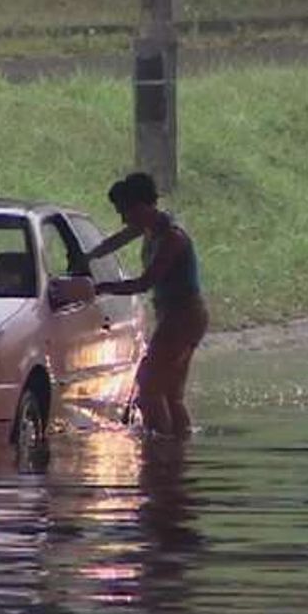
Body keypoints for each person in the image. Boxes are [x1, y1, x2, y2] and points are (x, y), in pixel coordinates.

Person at [87, 172, 208, 438]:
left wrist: (102, 288)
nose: (123, 219)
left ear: (141, 206)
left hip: (184, 316)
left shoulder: (172, 238)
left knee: (148, 386)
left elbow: (144, 283)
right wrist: (89, 256)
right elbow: (118, 239)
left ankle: (159, 452)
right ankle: (178, 452)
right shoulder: (150, 226)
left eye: (125, 212)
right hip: (178, 316)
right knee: (171, 394)